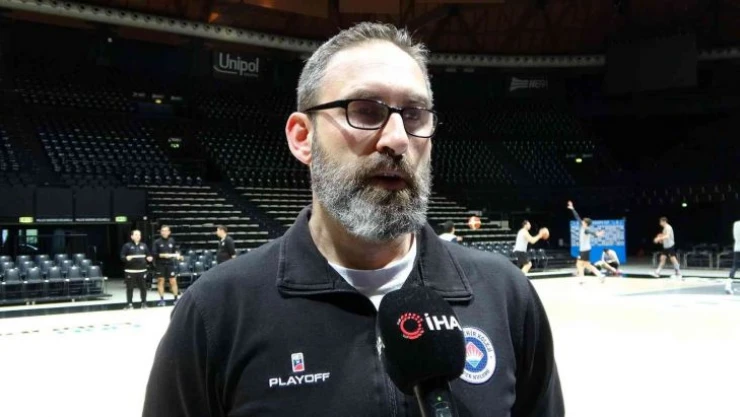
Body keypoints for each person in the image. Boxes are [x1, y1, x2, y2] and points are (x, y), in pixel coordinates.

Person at [143, 22, 563, 417]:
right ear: (303, 137)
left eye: (414, 114)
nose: (397, 139)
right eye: (364, 110)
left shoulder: (506, 295)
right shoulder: (215, 314)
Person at [567, 200, 606, 283]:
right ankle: (600, 276)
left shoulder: (586, 229)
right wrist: (572, 208)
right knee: (586, 265)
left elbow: (591, 232)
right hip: (585, 250)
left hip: (585, 250)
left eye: (583, 221)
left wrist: (597, 234)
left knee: (579, 264)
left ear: (586, 224)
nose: (582, 221)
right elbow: (577, 217)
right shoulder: (582, 226)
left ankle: (583, 279)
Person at [120, 229, 152, 309]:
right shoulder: (127, 246)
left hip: (142, 270)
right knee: (130, 288)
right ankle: (129, 304)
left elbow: (148, 255)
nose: (138, 236)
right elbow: (122, 256)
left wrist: (149, 258)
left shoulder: (144, 245)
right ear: (132, 236)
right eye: (136, 235)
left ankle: (144, 303)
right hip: (130, 271)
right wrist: (126, 258)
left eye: (139, 235)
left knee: (143, 288)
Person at [152, 225, 181, 306]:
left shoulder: (172, 241)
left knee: (173, 281)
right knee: (161, 281)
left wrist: (178, 254)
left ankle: (176, 299)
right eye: (163, 231)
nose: (164, 232)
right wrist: (163, 255)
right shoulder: (157, 242)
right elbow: (154, 254)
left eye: (166, 231)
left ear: (169, 232)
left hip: (170, 263)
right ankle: (161, 300)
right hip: (160, 264)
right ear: (161, 232)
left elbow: (176, 250)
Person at [725, 220, 740, 295]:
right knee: (735, 266)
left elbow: (735, 236)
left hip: (737, 248)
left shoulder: (736, 224)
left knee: (735, 266)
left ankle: (728, 285)